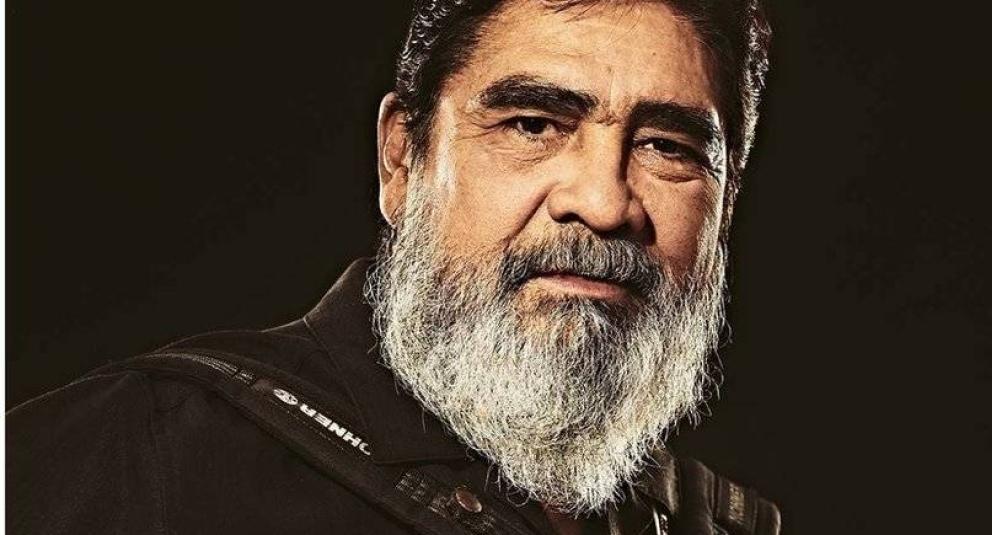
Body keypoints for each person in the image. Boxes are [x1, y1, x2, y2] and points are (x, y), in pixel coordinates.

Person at [7, 0, 776, 533]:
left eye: (668, 147)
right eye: (532, 124)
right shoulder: (135, 456)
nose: (604, 203)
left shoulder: (709, 522)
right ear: (402, 160)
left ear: (728, 202)